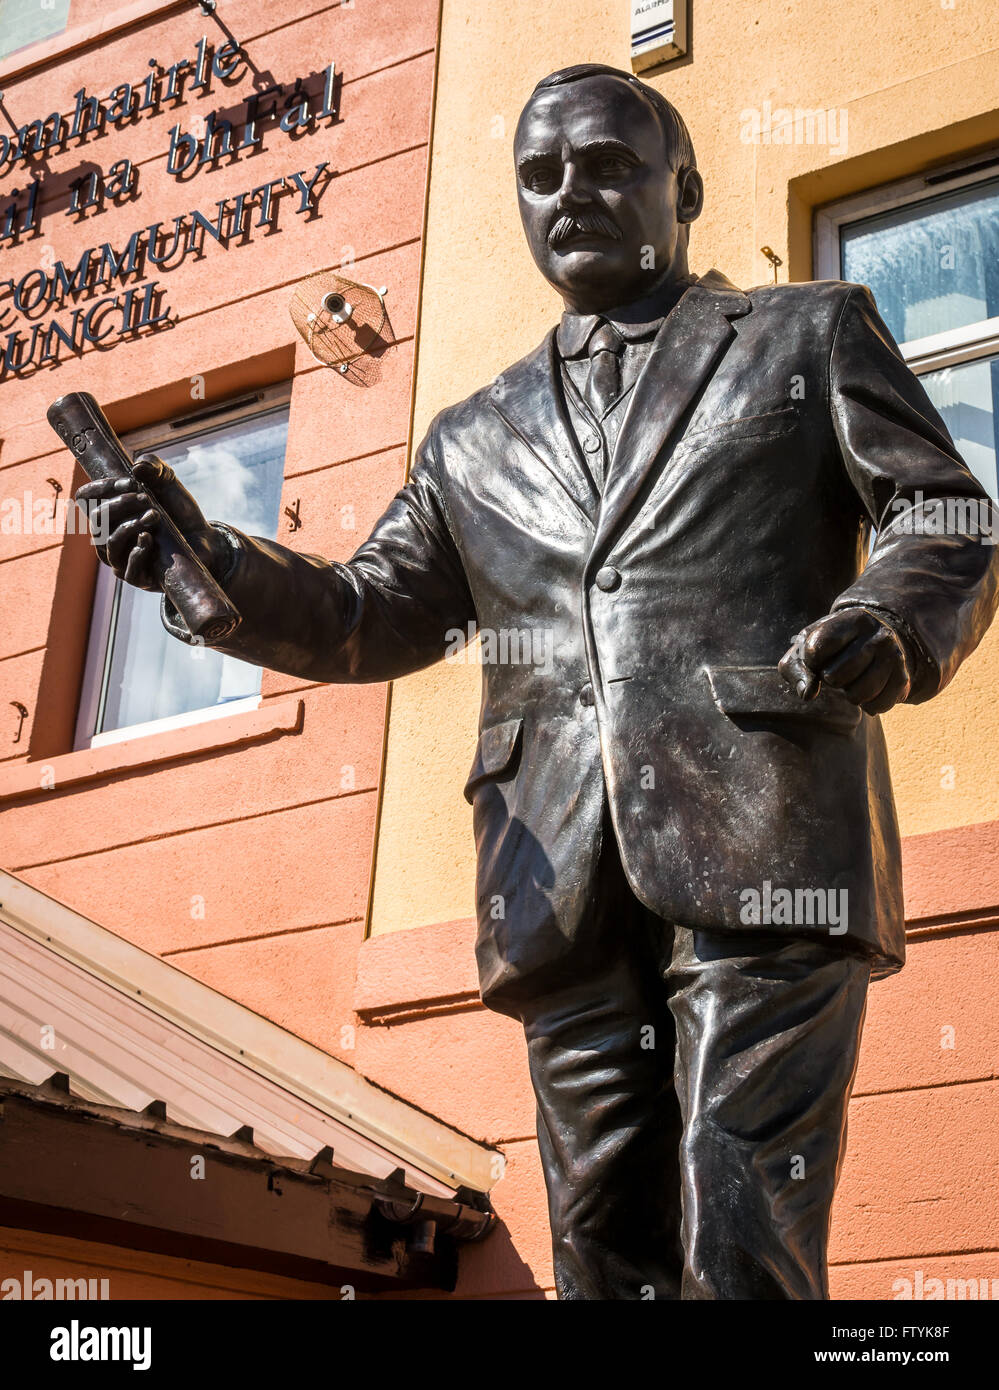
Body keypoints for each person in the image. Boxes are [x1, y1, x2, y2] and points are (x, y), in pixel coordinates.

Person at [77, 63, 999, 1299]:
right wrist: (209, 559)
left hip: (766, 832)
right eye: (540, 173)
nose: (571, 192)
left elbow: (940, 507)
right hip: (553, 876)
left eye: (609, 163)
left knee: (743, 1236)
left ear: (687, 187)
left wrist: (892, 615)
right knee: (599, 1254)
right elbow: (367, 615)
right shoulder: (472, 433)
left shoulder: (805, 331)